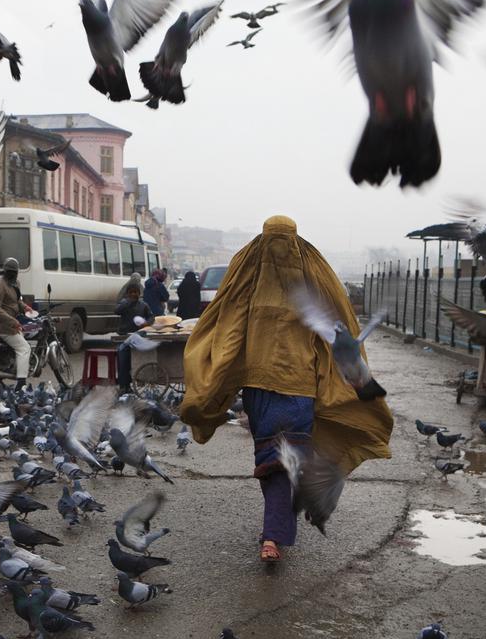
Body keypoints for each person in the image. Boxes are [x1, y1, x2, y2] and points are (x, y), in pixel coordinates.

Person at [180, 216, 393, 564]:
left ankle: (273, 535)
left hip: (273, 390)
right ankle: (281, 524)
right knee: (280, 458)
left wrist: (218, 371)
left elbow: (227, 332)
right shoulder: (308, 278)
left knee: (277, 459)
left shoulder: (246, 279)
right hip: (291, 390)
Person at [0, 257, 29, 391]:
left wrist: (25, 307)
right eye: (10, 272)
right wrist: (14, 321)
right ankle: (21, 383)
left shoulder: (15, 283)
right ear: (5, 271)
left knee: (20, 343)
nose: (13, 275)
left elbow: (16, 301)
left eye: (14, 272)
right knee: (24, 348)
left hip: (10, 324)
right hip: (0, 325)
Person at [115, 283, 152, 394]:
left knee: (134, 363)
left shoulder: (144, 305)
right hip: (124, 338)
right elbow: (116, 311)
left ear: (139, 293)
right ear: (127, 294)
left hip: (138, 337)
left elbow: (151, 317)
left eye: (135, 292)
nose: (133, 294)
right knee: (123, 362)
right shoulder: (124, 303)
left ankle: (130, 386)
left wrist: (146, 323)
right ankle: (123, 386)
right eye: (131, 292)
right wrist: (127, 303)